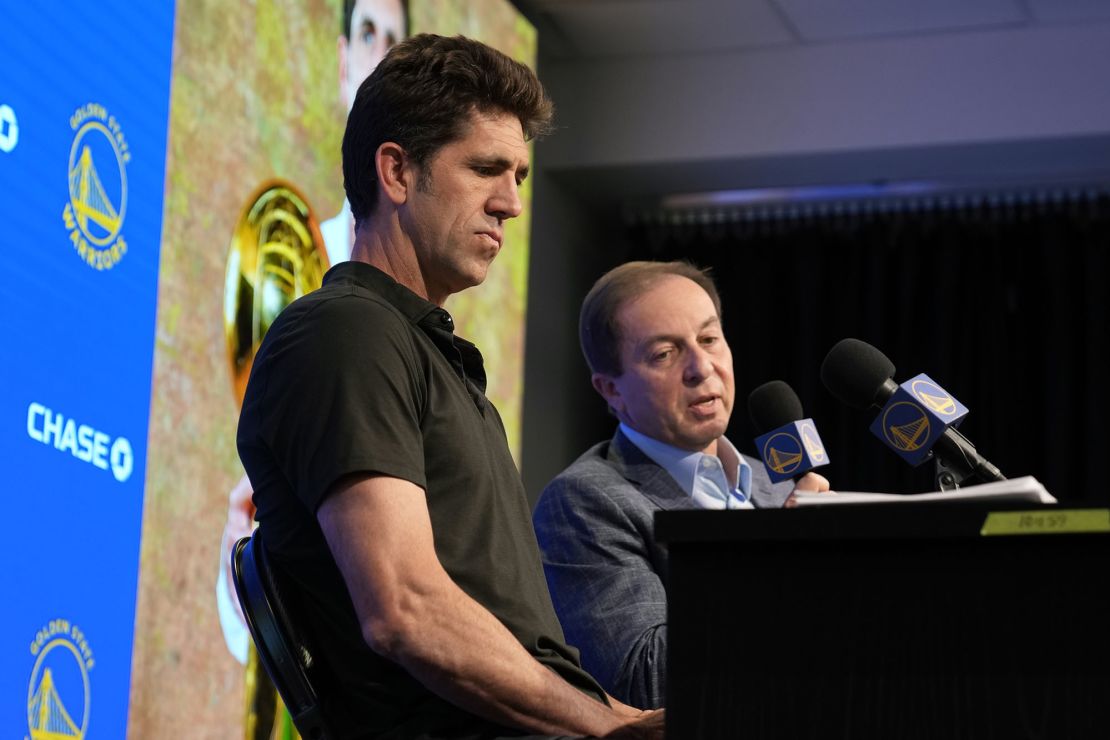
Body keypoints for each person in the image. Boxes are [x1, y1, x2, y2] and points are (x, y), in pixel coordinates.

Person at [235, 34, 664, 739]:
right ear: (397, 172)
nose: (512, 205)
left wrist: (631, 721)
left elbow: (521, 645)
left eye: (520, 176)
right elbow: (406, 611)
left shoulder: (431, 359)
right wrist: (605, 730)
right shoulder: (346, 334)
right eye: (486, 169)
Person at [531, 260, 831, 710]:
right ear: (610, 390)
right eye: (664, 354)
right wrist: (779, 561)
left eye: (709, 339)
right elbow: (646, 682)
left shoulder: (773, 484)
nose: (701, 367)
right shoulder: (584, 501)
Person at [217, 0, 408, 666]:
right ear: (340, 61)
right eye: (366, 35)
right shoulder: (283, 252)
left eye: (394, 39)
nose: (378, 52)